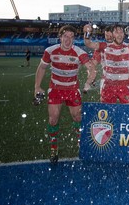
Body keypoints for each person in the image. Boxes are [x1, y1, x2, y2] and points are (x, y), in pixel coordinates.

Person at [34, 25, 95, 163]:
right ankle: (54, 148)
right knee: (53, 119)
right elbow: (42, 67)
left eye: (71, 37)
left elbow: (91, 68)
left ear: (74, 39)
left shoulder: (79, 52)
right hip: (55, 89)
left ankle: (81, 145)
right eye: (65, 36)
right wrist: (37, 87)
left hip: (72, 89)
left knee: (77, 117)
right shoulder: (50, 51)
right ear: (60, 37)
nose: (68, 40)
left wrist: (90, 76)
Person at [83, 24, 129, 104]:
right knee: (106, 112)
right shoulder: (104, 46)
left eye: (121, 32)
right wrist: (87, 33)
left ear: (124, 34)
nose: (119, 34)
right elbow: (88, 44)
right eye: (116, 32)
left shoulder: (128, 46)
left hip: (125, 84)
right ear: (113, 35)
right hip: (108, 85)